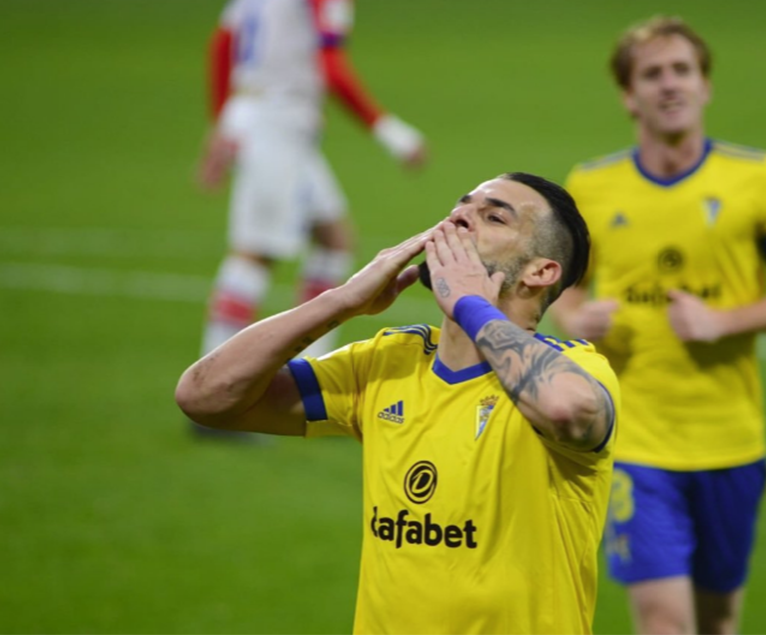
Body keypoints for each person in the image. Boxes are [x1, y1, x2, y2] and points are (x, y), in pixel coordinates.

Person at [176, 172, 620, 635]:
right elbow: (205, 396)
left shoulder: (575, 369)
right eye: (462, 206)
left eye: (494, 218)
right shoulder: (387, 363)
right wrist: (341, 302)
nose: (460, 218)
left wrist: (470, 306)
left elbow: (567, 409)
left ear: (540, 272)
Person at [551, 16, 766, 635]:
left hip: (731, 441)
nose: (669, 83)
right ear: (629, 96)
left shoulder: (760, 179)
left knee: (718, 623)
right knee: (665, 625)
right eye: (652, 74)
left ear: (705, 85)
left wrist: (722, 321)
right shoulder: (590, 187)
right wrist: (576, 315)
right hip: (634, 440)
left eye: (682, 70)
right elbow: (561, 290)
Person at [196, 0, 427, 373]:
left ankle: (311, 369)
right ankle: (214, 377)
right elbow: (331, 67)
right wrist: (392, 133)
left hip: (265, 121)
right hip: (277, 126)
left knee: (334, 241)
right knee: (255, 253)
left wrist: (223, 123)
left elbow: (222, 43)